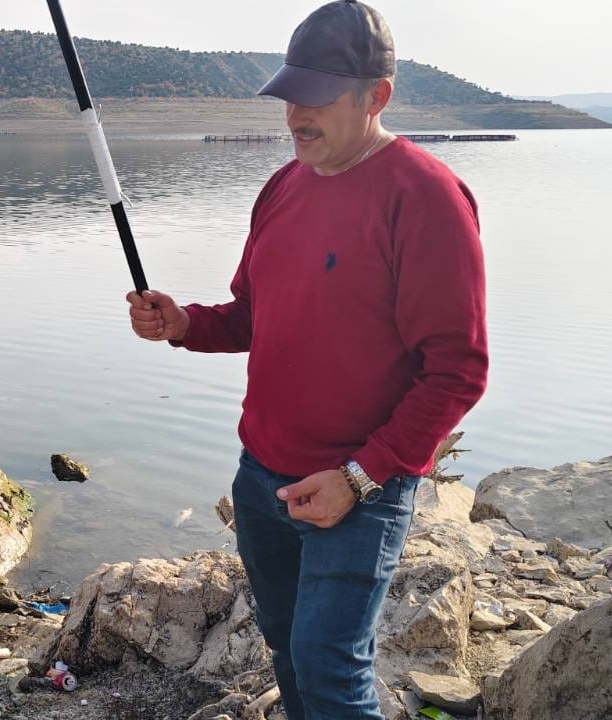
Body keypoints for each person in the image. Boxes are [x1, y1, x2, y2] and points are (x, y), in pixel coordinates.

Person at [125, 2, 488, 718]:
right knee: (288, 647)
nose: (296, 114)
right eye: (291, 94)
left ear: (375, 97)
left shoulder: (427, 198)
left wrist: (359, 476)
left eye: (317, 97)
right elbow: (255, 316)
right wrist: (185, 323)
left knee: (330, 671)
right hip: (261, 479)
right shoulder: (282, 187)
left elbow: (458, 370)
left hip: (359, 490)